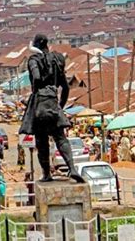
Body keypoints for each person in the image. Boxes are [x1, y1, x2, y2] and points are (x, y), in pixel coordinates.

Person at [19, 34, 84, 183]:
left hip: (40, 103)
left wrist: (36, 90)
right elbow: (66, 88)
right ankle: (72, 168)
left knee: (41, 141)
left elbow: (35, 77)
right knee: (60, 137)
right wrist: (60, 106)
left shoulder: (34, 60)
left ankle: (47, 173)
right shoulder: (57, 60)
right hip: (53, 102)